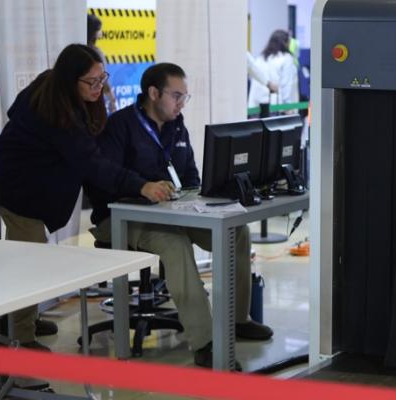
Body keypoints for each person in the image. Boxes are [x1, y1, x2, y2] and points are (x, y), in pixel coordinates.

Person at [85, 63, 273, 370]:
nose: (181, 103)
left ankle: (238, 320)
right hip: (123, 218)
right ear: (153, 93)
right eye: (176, 96)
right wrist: (142, 187)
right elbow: (105, 178)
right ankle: (205, 342)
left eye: (186, 97)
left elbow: (190, 175)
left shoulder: (177, 126)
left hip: (174, 212)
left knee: (237, 232)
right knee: (174, 246)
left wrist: (204, 193)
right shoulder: (120, 126)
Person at [0, 44, 171, 351]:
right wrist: (140, 185)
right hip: (19, 190)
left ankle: (27, 321)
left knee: (34, 258)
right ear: (69, 79)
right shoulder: (55, 112)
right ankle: (20, 338)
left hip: (41, 190)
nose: (99, 87)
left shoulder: (60, 91)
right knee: (27, 261)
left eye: (102, 78)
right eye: (92, 81)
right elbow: (91, 162)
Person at [247, 30, 298, 110]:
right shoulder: (286, 58)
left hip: (255, 108)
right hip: (276, 108)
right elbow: (286, 86)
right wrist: (288, 108)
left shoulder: (260, 58)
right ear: (285, 43)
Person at [87, 13, 117, 113]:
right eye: (98, 29)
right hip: (95, 99)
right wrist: (112, 99)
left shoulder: (76, 50)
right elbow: (103, 79)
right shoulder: (95, 52)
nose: (100, 33)